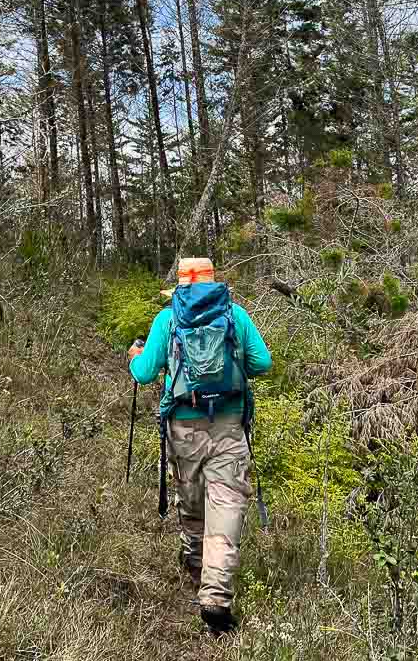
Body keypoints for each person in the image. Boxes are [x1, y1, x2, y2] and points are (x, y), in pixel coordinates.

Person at [128, 257, 272, 635]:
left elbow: (144, 373)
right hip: (228, 427)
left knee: (192, 507)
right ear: (213, 283)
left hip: (183, 429)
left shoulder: (168, 318)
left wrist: (135, 357)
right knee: (226, 507)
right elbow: (263, 363)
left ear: (180, 287)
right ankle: (216, 597)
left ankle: (196, 568)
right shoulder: (235, 315)